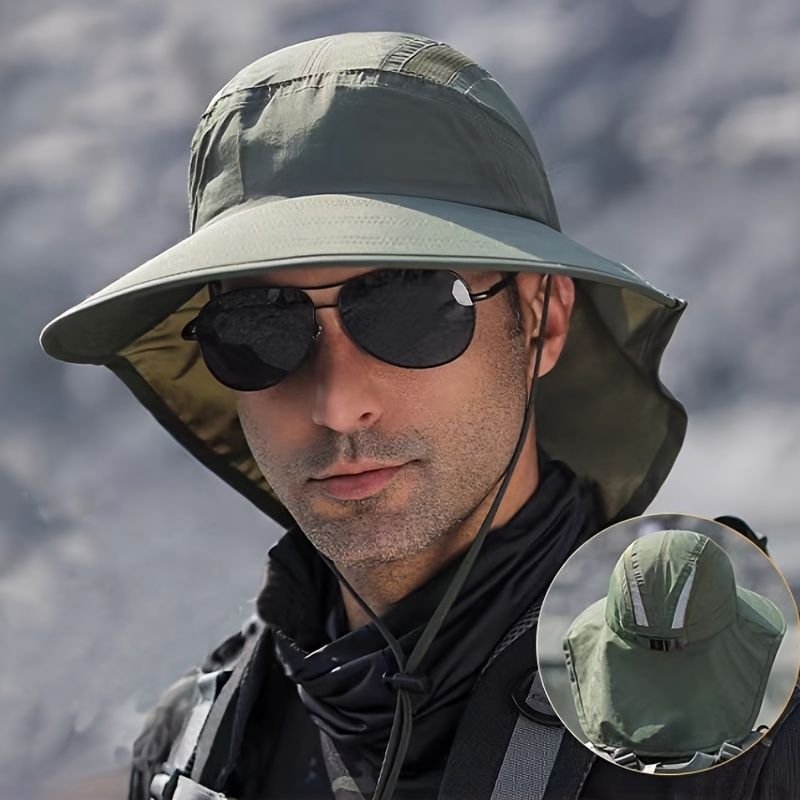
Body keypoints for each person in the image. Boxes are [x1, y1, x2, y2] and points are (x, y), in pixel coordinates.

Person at [40, 31, 798, 800]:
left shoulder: (754, 735)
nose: (339, 404)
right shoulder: (193, 752)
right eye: (261, 329)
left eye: (412, 310)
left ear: (542, 320)